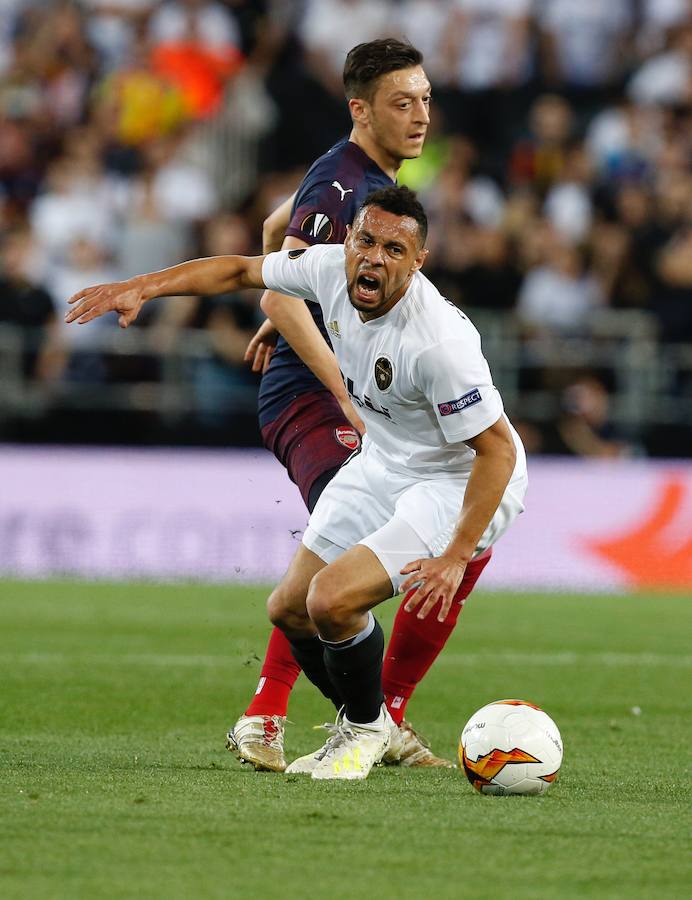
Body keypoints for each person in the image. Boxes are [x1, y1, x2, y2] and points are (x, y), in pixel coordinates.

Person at [65, 184, 528, 781]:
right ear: (349, 242)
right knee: (288, 608)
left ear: (418, 262)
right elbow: (237, 271)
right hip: (386, 458)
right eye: (365, 241)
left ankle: (362, 734)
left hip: (455, 480)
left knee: (331, 600)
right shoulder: (329, 269)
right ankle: (371, 723)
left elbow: (496, 450)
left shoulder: (438, 343)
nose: (373, 258)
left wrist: (458, 554)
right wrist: (142, 287)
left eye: (394, 249)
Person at [231, 39, 492, 771]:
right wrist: (339, 382)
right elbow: (274, 278)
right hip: (312, 400)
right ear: (362, 108)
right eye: (403, 103)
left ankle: (306, 712)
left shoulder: (355, 177)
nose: (420, 117)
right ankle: (368, 716)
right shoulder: (346, 187)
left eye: (427, 100)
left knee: (455, 538)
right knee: (357, 552)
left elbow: (272, 236)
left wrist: (292, 294)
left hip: (335, 396)